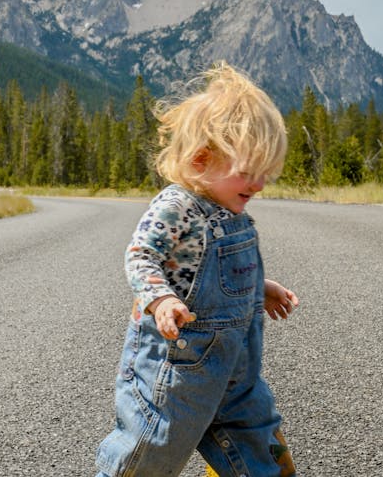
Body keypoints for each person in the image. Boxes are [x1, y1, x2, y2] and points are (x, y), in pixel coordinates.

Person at [95, 62, 299, 477]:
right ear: (202, 159)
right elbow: (141, 255)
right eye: (248, 171)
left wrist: (261, 287)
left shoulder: (232, 206)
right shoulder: (177, 206)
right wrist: (161, 298)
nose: (259, 184)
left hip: (237, 373)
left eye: (266, 172)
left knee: (262, 452)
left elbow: (228, 274)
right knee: (148, 455)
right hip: (176, 372)